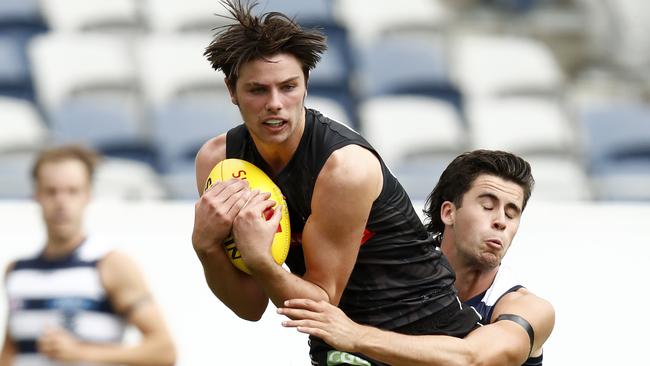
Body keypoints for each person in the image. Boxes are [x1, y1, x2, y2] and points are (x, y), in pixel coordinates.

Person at [191, 0, 480, 364]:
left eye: (288, 87)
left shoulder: (345, 168)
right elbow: (249, 306)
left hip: (422, 335)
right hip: (337, 343)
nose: (275, 103)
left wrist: (261, 262)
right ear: (231, 91)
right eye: (257, 90)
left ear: (307, 85)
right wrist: (206, 247)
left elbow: (319, 299)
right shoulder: (219, 162)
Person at [279, 150, 556, 366]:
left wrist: (356, 336)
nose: (500, 222)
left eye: (511, 213)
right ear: (449, 212)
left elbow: (474, 358)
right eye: (487, 206)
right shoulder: (391, 280)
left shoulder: (530, 309)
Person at [1, 145, 176, 366]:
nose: (61, 202)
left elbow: (163, 351)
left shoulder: (109, 265)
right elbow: (10, 351)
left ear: (88, 196)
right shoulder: (16, 271)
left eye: (72, 191)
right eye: (51, 191)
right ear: (36, 195)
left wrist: (82, 352)